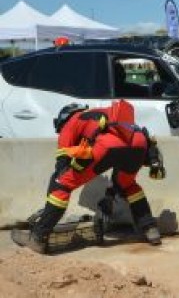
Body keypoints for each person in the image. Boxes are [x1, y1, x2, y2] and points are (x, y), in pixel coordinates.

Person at [11, 100, 166, 254]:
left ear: (63, 118)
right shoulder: (101, 115)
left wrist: (56, 188)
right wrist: (111, 193)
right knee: (128, 185)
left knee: (61, 184)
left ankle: (38, 237)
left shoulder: (72, 121)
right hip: (139, 145)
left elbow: (62, 162)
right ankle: (150, 229)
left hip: (108, 145)